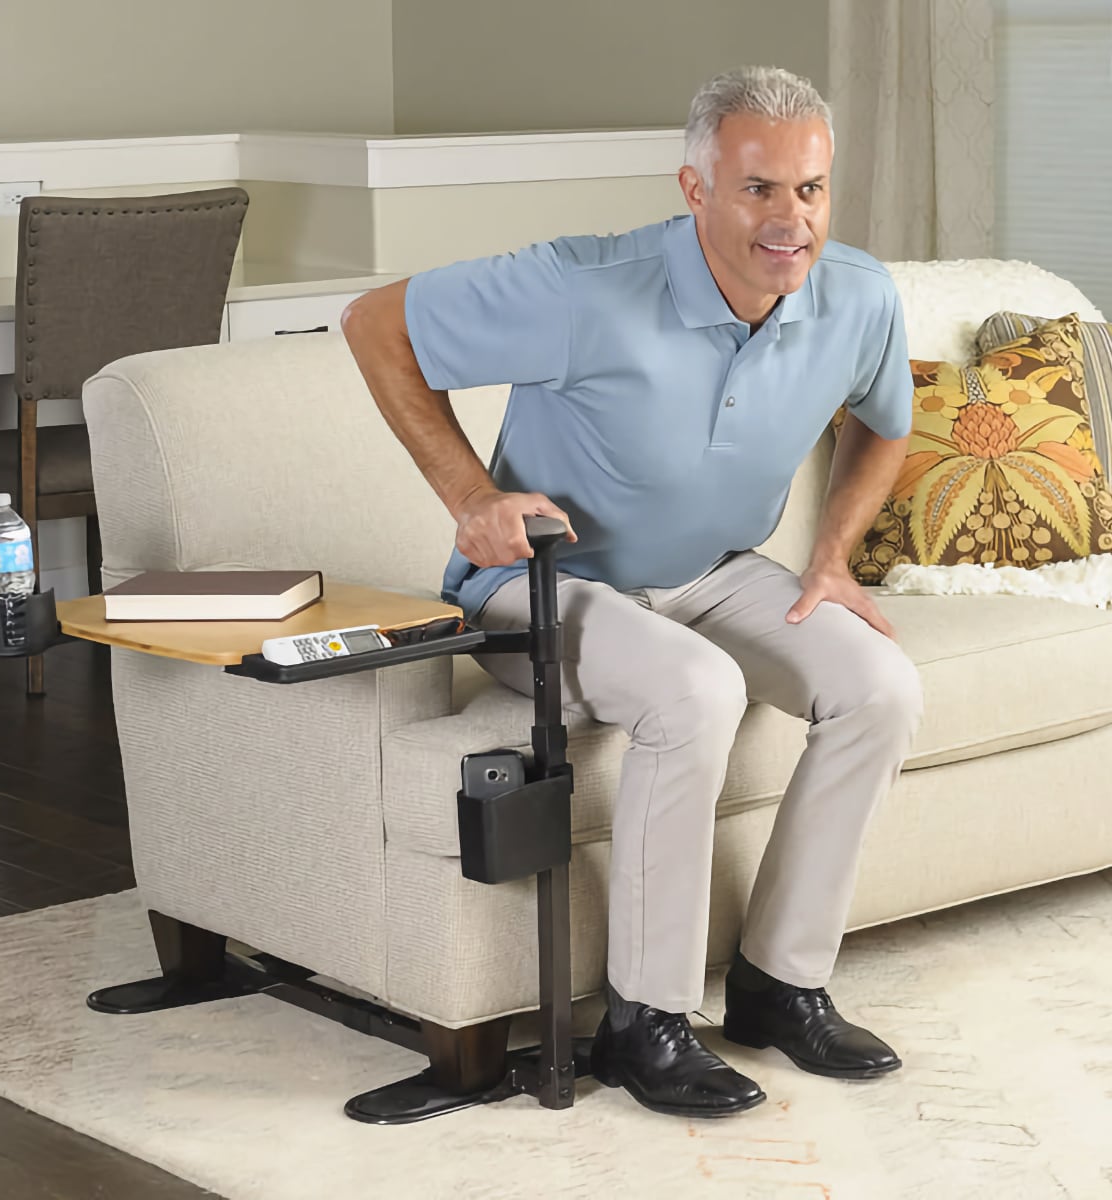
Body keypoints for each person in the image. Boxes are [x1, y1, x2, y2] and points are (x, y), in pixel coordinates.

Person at [342, 65, 923, 1120]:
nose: (790, 220)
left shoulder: (859, 296)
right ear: (696, 189)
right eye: (758, 190)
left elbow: (887, 421)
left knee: (881, 686)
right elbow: (376, 322)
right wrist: (470, 494)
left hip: (714, 574)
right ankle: (643, 1023)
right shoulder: (582, 287)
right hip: (541, 586)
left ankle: (779, 985)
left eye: (811, 190)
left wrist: (833, 554)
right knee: (696, 690)